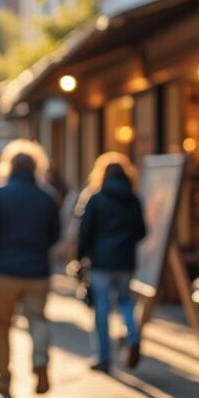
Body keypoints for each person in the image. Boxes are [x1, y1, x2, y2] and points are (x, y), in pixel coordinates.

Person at [0, 140, 60, 395]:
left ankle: (3, 376)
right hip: (37, 271)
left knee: (3, 324)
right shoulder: (47, 196)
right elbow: (54, 235)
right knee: (38, 320)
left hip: (4, 271)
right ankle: (41, 361)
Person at [77, 152, 146, 373]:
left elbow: (84, 232)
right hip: (126, 259)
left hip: (101, 261)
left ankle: (103, 357)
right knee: (126, 301)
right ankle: (133, 337)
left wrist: (80, 256)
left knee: (102, 308)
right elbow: (141, 231)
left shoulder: (96, 198)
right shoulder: (133, 199)